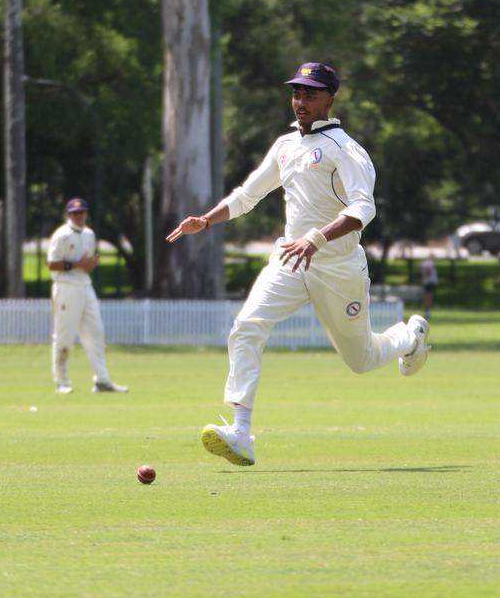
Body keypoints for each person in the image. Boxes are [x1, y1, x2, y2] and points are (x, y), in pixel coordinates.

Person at [166, 61, 430, 467]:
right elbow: (247, 195)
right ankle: (240, 431)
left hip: (339, 268)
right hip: (290, 259)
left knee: (359, 361)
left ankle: (409, 337)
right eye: (296, 94)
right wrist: (207, 219)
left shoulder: (346, 149)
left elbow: (365, 208)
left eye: (310, 94)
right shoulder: (285, 145)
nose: (301, 102)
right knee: (246, 326)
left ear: (330, 98)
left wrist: (318, 237)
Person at [47, 197, 128, 395]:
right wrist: (77, 265)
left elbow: (85, 265)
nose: (79, 216)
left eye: (82, 212)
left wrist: (89, 265)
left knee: (96, 333)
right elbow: (52, 264)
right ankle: (62, 381)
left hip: (85, 286)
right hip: (65, 287)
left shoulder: (89, 234)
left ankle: (102, 380)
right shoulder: (62, 235)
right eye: (75, 213)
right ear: (68, 215)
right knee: (64, 336)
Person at [419, 255, 439, 319]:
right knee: (428, 297)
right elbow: (428, 271)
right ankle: (427, 311)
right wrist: (425, 276)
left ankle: (427, 311)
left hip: (428, 282)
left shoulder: (425, 263)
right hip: (429, 282)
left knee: (427, 297)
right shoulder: (429, 263)